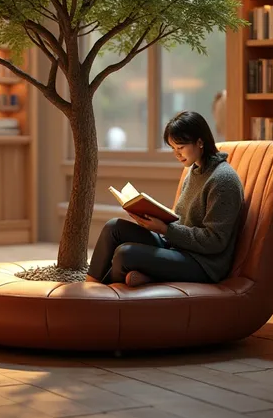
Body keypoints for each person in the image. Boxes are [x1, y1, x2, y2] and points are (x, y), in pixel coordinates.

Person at [85, 110, 244, 287]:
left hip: (203, 264)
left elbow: (215, 241)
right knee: (114, 227)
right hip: (178, 247)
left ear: (200, 142)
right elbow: (182, 220)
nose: (177, 154)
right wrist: (154, 220)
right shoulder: (194, 170)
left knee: (125, 254)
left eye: (181, 147)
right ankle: (88, 288)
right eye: (173, 148)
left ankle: (102, 298)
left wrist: (165, 229)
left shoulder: (223, 180)